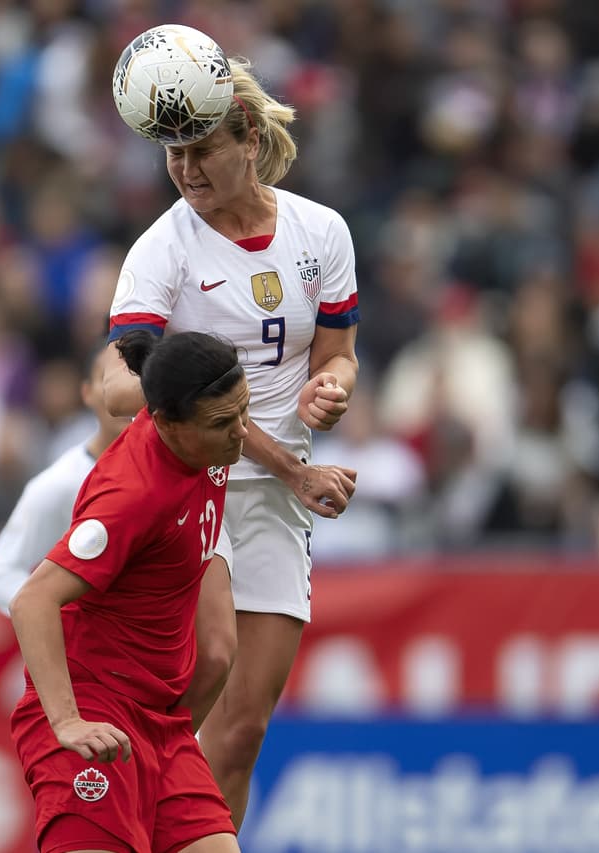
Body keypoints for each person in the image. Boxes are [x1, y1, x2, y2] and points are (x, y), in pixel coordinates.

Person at [104, 54, 360, 830]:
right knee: (202, 672)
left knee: (243, 730)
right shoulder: (163, 249)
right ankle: (118, 828)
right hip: (191, 486)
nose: (185, 169)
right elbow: (125, 383)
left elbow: (339, 350)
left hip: (279, 499)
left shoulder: (322, 232)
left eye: (201, 149)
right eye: (172, 154)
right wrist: (287, 462)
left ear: (247, 137)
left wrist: (333, 388)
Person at [10, 329, 249, 853]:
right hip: (100, 714)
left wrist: (297, 474)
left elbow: (216, 649)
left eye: (243, 411)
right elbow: (32, 600)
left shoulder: (204, 441)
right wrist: (67, 721)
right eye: (222, 423)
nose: (241, 433)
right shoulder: (132, 496)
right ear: (166, 421)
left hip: (164, 725)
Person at [0, 345, 129, 616]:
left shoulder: (184, 468)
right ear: (86, 393)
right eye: (107, 380)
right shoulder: (60, 483)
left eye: (135, 376)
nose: (123, 393)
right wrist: (56, 616)